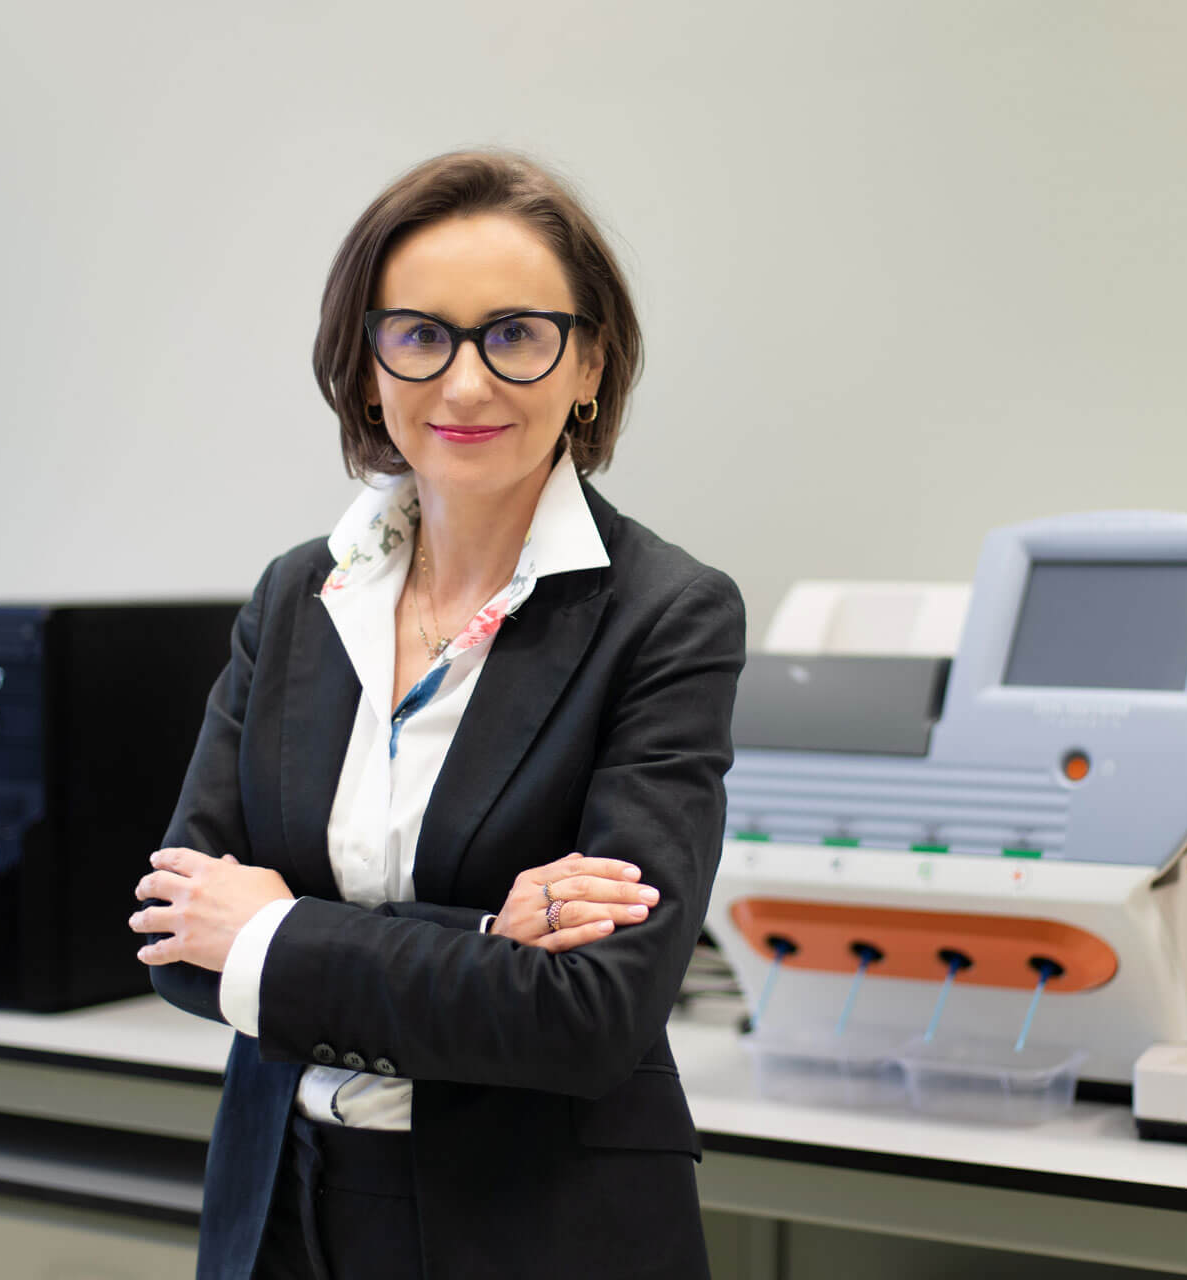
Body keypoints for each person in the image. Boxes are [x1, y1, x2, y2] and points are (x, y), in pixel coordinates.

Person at [127, 150, 745, 1280]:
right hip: (281, 1204)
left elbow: (591, 1011)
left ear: (591, 364)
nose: (465, 383)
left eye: (517, 334)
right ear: (366, 369)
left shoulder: (666, 616)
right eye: (420, 334)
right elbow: (177, 936)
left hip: (537, 1224)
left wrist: (272, 930)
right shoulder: (297, 595)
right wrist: (478, 947)